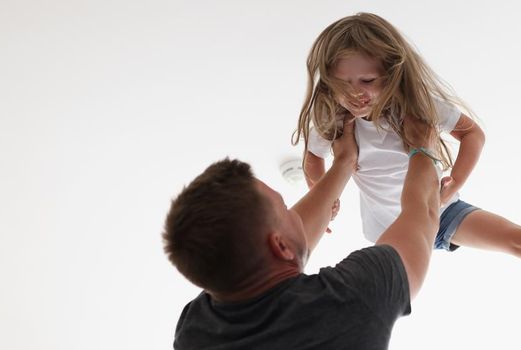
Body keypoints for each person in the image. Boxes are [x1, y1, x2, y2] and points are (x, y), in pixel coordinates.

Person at [293, 12, 521, 281]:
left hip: (441, 212)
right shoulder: (335, 121)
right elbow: (312, 159)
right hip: (388, 226)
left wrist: (456, 181)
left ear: (391, 72)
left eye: (368, 80)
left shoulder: (417, 109)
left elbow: (473, 134)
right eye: (342, 83)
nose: (356, 93)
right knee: (380, 288)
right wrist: (324, 197)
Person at [163, 117, 442, 349]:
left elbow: (276, 253)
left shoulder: (196, 333)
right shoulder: (353, 298)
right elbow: (423, 215)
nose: (294, 212)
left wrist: (344, 163)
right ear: (279, 246)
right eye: (285, 207)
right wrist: (422, 149)